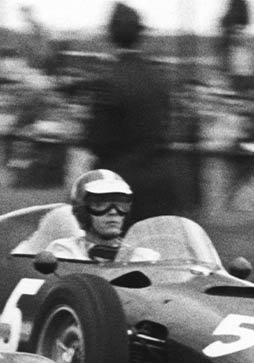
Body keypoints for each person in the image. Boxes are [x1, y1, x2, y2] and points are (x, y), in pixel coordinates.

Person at [79, 3, 186, 223]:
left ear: (110, 35)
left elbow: (96, 141)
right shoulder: (159, 79)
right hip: (161, 183)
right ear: (140, 34)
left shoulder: (107, 81)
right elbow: (166, 125)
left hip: (119, 187)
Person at [45, 169, 134, 261]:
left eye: (120, 205)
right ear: (82, 213)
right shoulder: (64, 250)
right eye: (100, 205)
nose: (113, 212)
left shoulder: (140, 255)